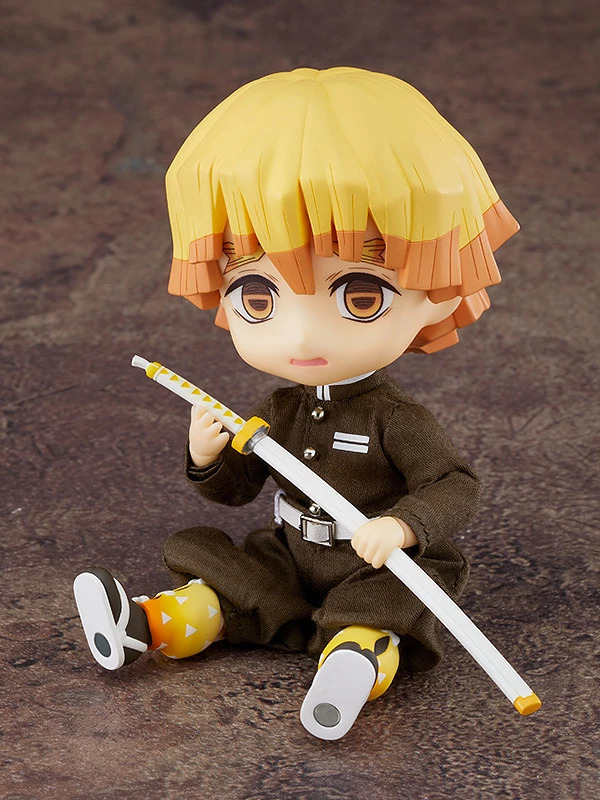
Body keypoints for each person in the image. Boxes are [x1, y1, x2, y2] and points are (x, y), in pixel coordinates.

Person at [74, 67, 519, 739]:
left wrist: (402, 527)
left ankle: (353, 668)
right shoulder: (281, 407)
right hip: (288, 552)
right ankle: (147, 626)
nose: (303, 337)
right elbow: (237, 489)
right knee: (230, 580)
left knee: (378, 609)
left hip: (371, 564)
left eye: (360, 296)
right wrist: (207, 457)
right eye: (258, 297)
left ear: (442, 290)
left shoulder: (396, 419)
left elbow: (455, 484)